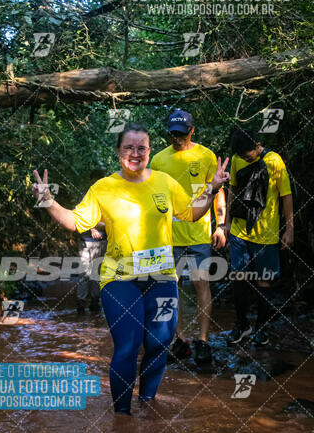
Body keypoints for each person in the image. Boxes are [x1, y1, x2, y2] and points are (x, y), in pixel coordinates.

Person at [32, 122, 229, 414]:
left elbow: (190, 213)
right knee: (128, 345)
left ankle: (147, 406)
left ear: (149, 151)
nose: (135, 153)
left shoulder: (164, 182)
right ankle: (122, 418)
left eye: (141, 148)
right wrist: (48, 201)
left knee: (159, 342)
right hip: (119, 279)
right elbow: (76, 222)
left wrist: (212, 190)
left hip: (162, 279)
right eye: (129, 147)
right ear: (118, 152)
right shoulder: (104, 188)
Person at [151, 110, 226, 364]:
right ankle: (180, 340)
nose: (176, 138)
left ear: (192, 131)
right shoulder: (159, 160)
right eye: (172, 133)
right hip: (169, 236)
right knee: (174, 289)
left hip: (199, 234)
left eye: (181, 134)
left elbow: (217, 190)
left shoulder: (205, 156)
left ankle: (203, 340)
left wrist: (221, 224)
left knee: (200, 283)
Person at [225, 129, 294, 346]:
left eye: (249, 155)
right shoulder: (237, 160)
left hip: (266, 232)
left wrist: (290, 228)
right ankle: (241, 324)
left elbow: (286, 195)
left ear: (258, 145)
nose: (246, 158)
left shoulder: (274, 161)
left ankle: (261, 328)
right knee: (238, 277)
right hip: (239, 229)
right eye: (243, 156)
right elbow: (233, 189)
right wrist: (225, 221)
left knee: (264, 279)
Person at [76, 169, 107, 315]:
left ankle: (95, 302)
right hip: (86, 240)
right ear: (92, 181)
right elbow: (79, 215)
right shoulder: (85, 196)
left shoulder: (108, 196)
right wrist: (93, 226)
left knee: (97, 273)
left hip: (102, 240)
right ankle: (81, 304)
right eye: (96, 180)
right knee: (84, 272)